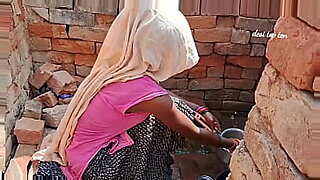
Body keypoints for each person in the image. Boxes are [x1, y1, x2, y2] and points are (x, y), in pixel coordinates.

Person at [33, 0, 240, 179]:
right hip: (94, 166)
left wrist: (199, 109)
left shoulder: (120, 70)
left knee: (164, 110)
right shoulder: (144, 92)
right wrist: (227, 143)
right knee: (160, 118)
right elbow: (191, 130)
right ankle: (147, 171)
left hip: (80, 152)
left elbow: (160, 96)